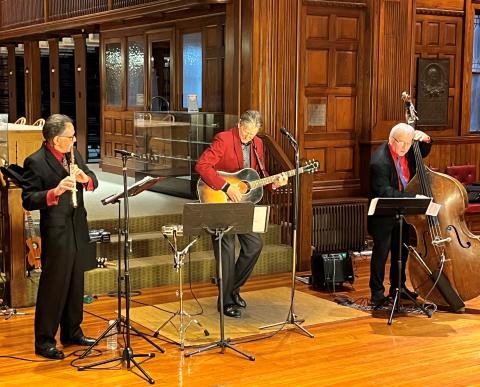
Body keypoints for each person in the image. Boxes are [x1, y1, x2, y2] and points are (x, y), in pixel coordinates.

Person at [195, 110, 288, 318]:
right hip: (219, 199)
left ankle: (231, 289)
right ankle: (226, 302)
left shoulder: (258, 144)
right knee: (226, 249)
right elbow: (202, 166)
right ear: (239, 125)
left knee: (255, 244)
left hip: (243, 204)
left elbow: (255, 178)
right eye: (246, 132)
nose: (248, 137)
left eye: (252, 134)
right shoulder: (224, 139)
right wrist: (226, 187)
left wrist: (274, 184)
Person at [22, 114, 98, 359]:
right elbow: (28, 198)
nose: (74, 139)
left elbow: (92, 180)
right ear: (56, 140)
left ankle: (71, 331)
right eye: (70, 136)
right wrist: (55, 191)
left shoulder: (73, 156)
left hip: (77, 225)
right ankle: (44, 340)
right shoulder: (35, 161)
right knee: (53, 286)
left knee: (76, 282)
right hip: (56, 230)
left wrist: (84, 179)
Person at [368, 122, 432, 307]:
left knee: (401, 252)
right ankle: (377, 294)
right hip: (383, 216)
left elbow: (424, 150)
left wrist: (426, 139)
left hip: (403, 214)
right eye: (401, 143)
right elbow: (385, 192)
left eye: (408, 143)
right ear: (391, 140)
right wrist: (413, 197)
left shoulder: (409, 151)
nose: (405, 147)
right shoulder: (379, 161)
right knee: (381, 254)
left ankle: (399, 287)